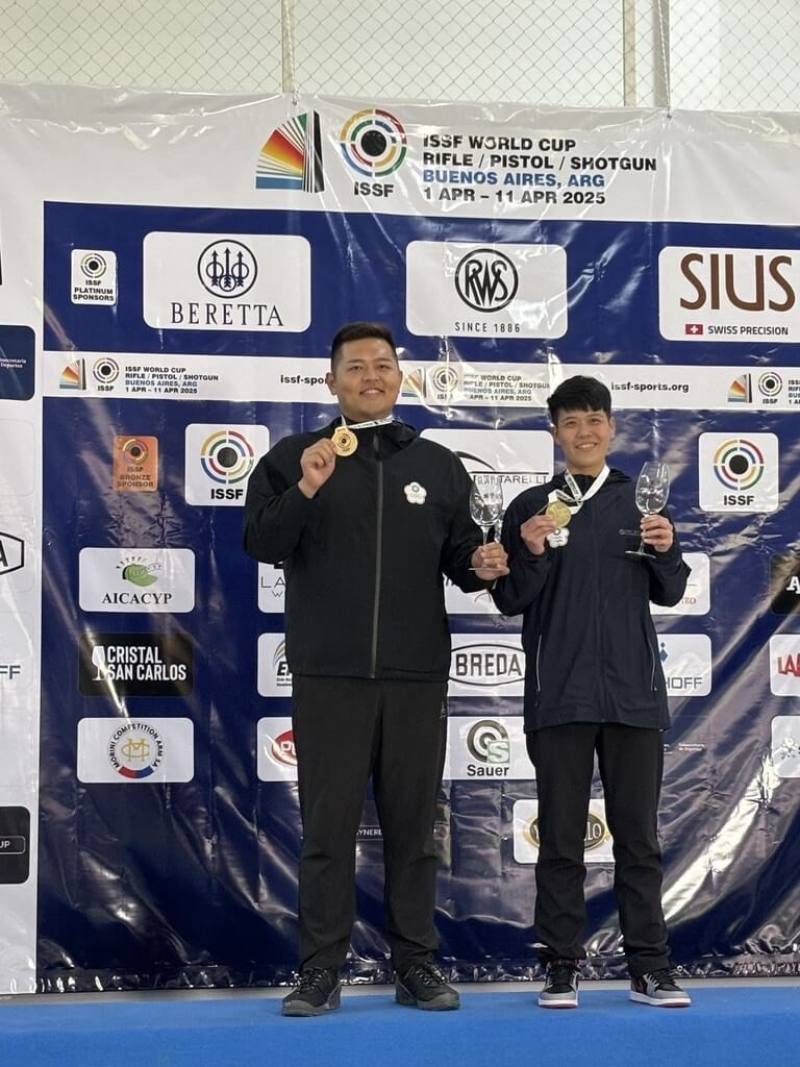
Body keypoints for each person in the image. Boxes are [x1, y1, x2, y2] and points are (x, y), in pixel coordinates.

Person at [244, 322, 508, 1016]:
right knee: (326, 832)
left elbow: (463, 558)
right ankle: (319, 969)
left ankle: (415, 963)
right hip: (328, 673)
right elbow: (262, 540)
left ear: (400, 378)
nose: (371, 375)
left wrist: (482, 565)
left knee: (414, 830)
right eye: (355, 366)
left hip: (416, 674)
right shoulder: (294, 457)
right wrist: (305, 489)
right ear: (330, 381)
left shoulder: (440, 464)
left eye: (383, 365)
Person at [492, 375, 692, 1009]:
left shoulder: (644, 504)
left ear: (611, 427)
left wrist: (666, 551)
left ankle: (649, 967)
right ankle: (560, 965)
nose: (585, 431)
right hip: (560, 696)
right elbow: (508, 600)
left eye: (595, 420)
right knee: (559, 838)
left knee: (639, 839)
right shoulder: (532, 505)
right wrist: (528, 553)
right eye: (571, 422)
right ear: (555, 432)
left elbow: (671, 591)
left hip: (634, 696)